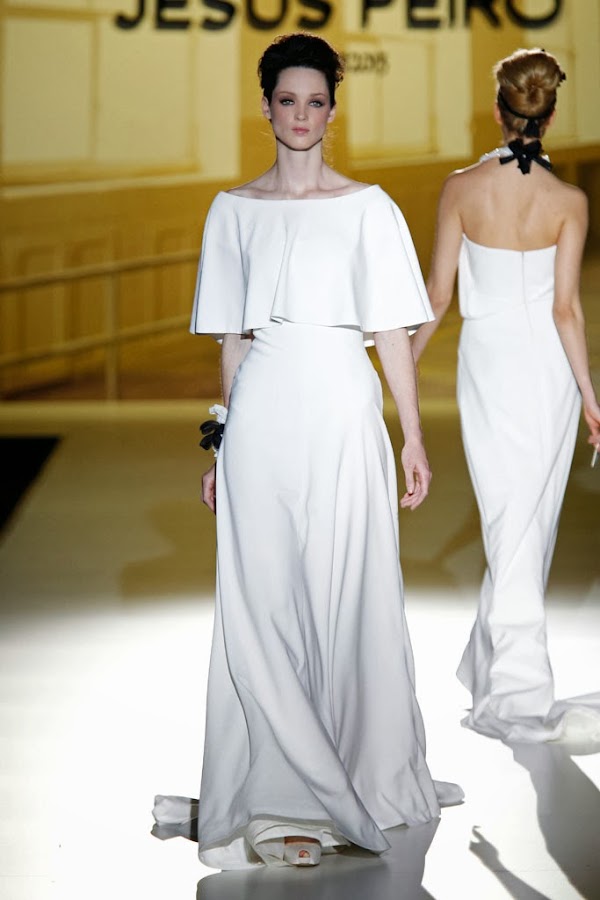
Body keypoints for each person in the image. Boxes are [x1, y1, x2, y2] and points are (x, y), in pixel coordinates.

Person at [153, 32, 462, 870]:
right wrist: (222, 442)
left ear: (332, 109)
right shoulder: (232, 210)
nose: (300, 114)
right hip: (263, 414)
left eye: (315, 101)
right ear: (265, 107)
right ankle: (285, 796)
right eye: (286, 100)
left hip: (345, 411)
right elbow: (233, 340)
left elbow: (391, 332)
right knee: (263, 599)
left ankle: (357, 767)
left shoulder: (369, 207)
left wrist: (412, 434)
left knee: (348, 590)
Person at [412, 48, 600, 744]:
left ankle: (500, 670)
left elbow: (437, 296)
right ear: (550, 116)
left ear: (498, 110)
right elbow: (565, 310)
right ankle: (515, 688)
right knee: (525, 520)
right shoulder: (569, 201)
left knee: (509, 518)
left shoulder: (460, 188)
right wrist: (590, 395)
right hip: (547, 370)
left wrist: (399, 367)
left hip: (487, 368)